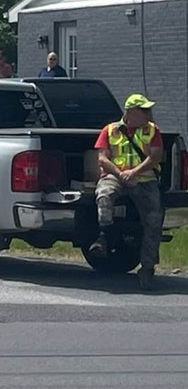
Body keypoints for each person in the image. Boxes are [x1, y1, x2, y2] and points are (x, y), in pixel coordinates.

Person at [90, 93, 164, 290]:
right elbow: (102, 159)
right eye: (144, 110)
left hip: (144, 179)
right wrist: (120, 173)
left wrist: (134, 172)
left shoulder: (152, 130)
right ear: (130, 112)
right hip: (115, 175)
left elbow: (156, 156)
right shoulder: (110, 130)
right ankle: (103, 237)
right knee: (104, 195)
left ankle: (147, 267)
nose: (148, 113)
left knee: (154, 219)